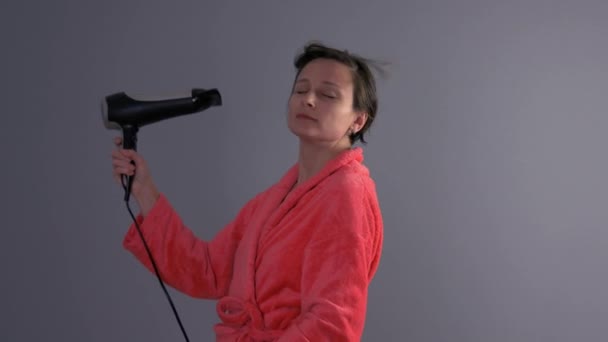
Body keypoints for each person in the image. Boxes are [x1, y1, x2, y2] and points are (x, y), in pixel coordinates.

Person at [111, 41, 384, 341]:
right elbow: (208, 271)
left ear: (359, 119)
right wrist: (145, 190)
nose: (308, 100)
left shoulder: (346, 194)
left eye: (328, 95)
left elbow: (331, 325)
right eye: (300, 89)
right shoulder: (271, 202)